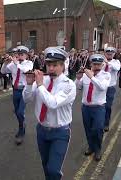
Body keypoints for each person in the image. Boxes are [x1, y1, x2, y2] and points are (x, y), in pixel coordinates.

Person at [23, 47, 76, 180]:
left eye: (55, 65)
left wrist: (40, 85)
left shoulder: (69, 85)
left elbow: (53, 103)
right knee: (46, 165)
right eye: (49, 65)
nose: (51, 68)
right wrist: (29, 85)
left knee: (53, 169)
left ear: (63, 65)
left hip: (60, 132)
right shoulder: (43, 80)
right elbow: (26, 99)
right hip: (41, 130)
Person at [75, 54, 111, 161]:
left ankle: (98, 149)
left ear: (102, 65)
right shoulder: (86, 74)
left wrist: (92, 77)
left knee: (98, 129)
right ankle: (91, 146)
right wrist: (78, 78)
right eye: (94, 64)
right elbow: (79, 87)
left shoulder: (106, 75)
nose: (96, 66)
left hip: (98, 107)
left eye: (99, 64)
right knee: (88, 129)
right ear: (91, 64)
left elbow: (102, 87)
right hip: (86, 107)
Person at [1, 45, 33, 145]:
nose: (20, 56)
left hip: (24, 90)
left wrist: (16, 63)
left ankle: (21, 131)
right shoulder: (14, 64)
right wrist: (5, 63)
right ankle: (21, 125)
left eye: (22, 54)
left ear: (26, 55)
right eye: (18, 54)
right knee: (17, 112)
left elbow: (26, 71)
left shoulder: (29, 63)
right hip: (15, 90)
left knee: (20, 112)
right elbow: (3, 71)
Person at [102, 47, 120, 132]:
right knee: (99, 106)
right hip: (100, 87)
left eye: (111, 53)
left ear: (114, 54)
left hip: (110, 88)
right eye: (107, 53)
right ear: (105, 54)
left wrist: (107, 63)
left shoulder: (116, 62)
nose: (109, 55)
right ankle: (99, 122)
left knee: (108, 106)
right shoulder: (100, 62)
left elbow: (116, 68)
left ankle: (106, 124)